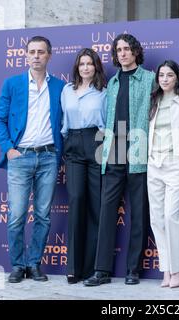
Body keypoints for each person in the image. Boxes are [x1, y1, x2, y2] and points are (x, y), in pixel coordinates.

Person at [83, 33, 155, 286]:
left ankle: (133, 270)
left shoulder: (150, 79)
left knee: (138, 213)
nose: (123, 53)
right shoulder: (111, 83)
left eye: (127, 49)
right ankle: (101, 270)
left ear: (135, 51)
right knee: (106, 211)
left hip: (138, 152)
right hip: (113, 151)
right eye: (119, 50)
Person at [0, 36, 64, 283]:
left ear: (49, 55)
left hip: (48, 157)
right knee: (16, 215)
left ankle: (33, 264)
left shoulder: (59, 87)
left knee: (43, 215)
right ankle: (17, 265)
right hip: (20, 156)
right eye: (32, 52)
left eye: (41, 52)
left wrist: (59, 152)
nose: (36, 56)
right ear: (25, 55)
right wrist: (8, 149)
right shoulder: (12, 84)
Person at [61, 48, 107, 284]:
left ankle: (92, 268)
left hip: (97, 142)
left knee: (96, 206)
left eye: (90, 64)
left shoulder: (103, 92)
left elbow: (109, 124)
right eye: (82, 64)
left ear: (96, 67)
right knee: (77, 199)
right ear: (77, 67)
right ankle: (74, 267)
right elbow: (63, 122)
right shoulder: (66, 90)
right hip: (73, 145)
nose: (85, 67)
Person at [147, 60, 179, 288]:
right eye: (161, 75)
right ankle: (166, 270)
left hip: (177, 165)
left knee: (171, 217)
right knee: (156, 219)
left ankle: (178, 271)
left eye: (169, 75)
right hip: (153, 164)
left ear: (177, 78)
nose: (164, 79)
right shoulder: (152, 101)